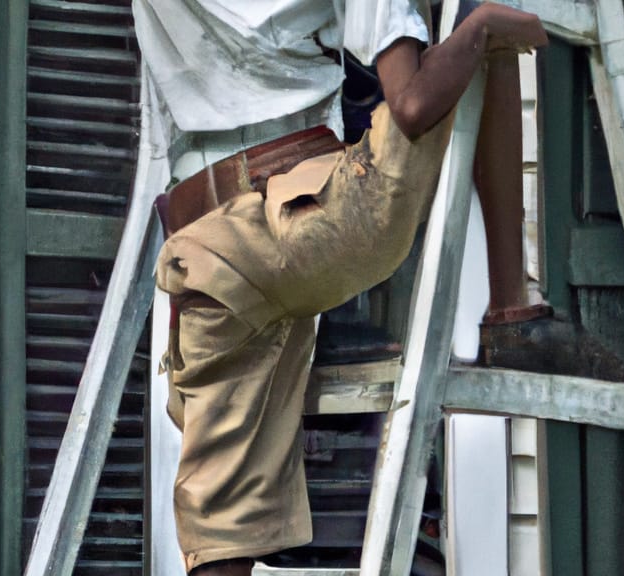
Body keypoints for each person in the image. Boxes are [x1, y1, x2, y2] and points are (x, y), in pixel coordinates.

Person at [133, 1, 550, 573]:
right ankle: (511, 308)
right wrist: (479, 29)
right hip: (308, 222)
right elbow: (410, 105)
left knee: (220, 529)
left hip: (207, 247)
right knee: (477, 26)